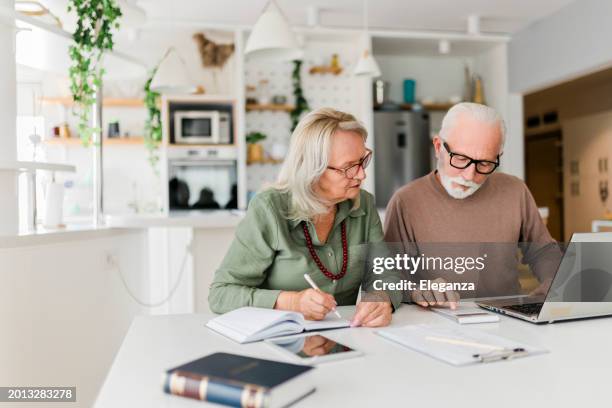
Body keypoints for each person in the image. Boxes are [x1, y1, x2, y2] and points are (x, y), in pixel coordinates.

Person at [209, 108, 402, 327]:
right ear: (312, 169)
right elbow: (221, 294)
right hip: (277, 341)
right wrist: (291, 301)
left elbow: (387, 275)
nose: (361, 174)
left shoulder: (363, 203)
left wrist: (381, 298)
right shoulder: (269, 208)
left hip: (345, 338)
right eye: (349, 167)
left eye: (362, 161)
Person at [384, 102, 561, 308]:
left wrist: (553, 283)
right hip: (435, 324)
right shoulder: (405, 201)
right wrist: (416, 290)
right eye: (460, 159)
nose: (469, 175)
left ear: (498, 157)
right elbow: (389, 277)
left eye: (484, 163)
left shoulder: (515, 190)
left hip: (507, 320)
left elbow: (543, 251)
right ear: (439, 147)